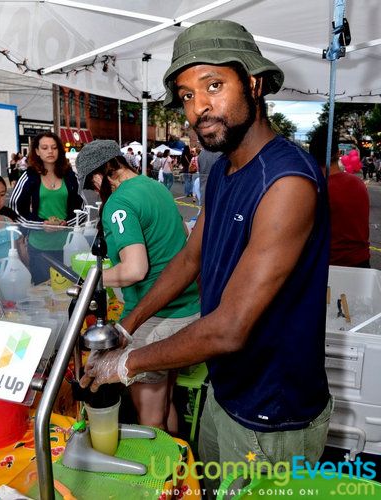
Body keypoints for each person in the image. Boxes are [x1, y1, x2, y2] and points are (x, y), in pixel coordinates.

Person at [80, 20, 332, 496]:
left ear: (253, 84)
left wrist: (126, 362)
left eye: (214, 86)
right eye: (187, 95)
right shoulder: (225, 170)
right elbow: (189, 260)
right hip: (227, 390)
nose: (199, 108)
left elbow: (230, 327)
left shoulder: (286, 182)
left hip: (272, 415)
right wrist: (128, 324)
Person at [76, 139, 200, 433]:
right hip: (187, 309)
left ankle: (158, 476)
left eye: (92, 183)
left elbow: (134, 269)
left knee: (150, 416)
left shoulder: (118, 202)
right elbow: (182, 236)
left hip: (154, 316)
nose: (95, 190)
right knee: (167, 397)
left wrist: (91, 279)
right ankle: (177, 469)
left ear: (101, 173)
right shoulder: (155, 186)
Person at [9, 131, 85, 284]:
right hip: (39, 248)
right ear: (37, 151)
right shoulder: (29, 176)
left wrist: (66, 224)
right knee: (44, 293)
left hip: (69, 246)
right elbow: (15, 210)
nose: (50, 151)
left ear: (59, 150)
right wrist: (42, 224)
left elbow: (82, 207)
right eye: (44, 147)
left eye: (54, 147)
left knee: (71, 292)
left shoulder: (70, 175)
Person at [309, 126, 371, 268]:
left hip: (326, 266)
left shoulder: (314, 189)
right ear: (338, 153)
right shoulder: (358, 184)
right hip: (360, 263)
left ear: (312, 156)